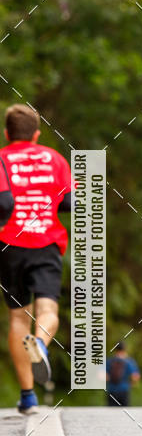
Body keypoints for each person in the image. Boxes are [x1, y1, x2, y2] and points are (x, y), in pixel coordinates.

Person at [0, 104, 73, 414]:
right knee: (47, 310)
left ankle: (28, 394)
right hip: (46, 242)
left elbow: (3, 202)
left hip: (9, 245)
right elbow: (70, 201)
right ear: (37, 134)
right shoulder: (54, 159)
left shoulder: (2, 158)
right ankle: (41, 342)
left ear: (7, 133)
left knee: (18, 317)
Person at [105, 342, 140, 406]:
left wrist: (111, 379)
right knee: (124, 413)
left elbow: (103, 376)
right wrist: (131, 384)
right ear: (125, 349)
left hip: (111, 390)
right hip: (124, 390)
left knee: (110, 414)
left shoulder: (110, 361)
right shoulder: (129, 361)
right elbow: (135, 377)